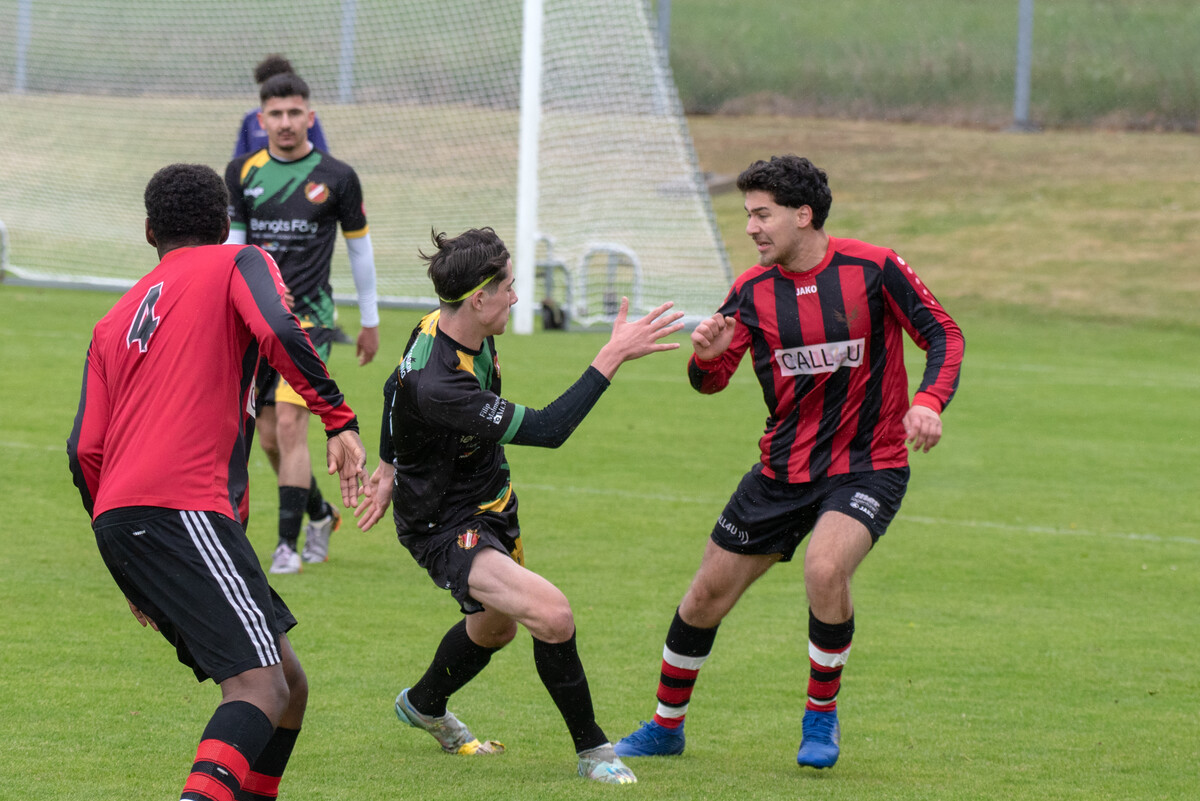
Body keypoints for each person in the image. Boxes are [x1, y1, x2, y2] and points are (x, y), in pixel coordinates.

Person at [613, 155, 965, 769]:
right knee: (703, 598)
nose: (751, 227)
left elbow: (944, 333)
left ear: (803, 215)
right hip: (780, 471)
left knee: (825, 569)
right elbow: (711, 381)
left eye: (762, 214)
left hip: (868, 464)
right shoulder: (751, 291)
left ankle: (820, 718)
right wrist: (705, 358)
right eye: (748, 215)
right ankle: (666, 727)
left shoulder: (873, 267)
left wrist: (928, 401)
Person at [66, 163, 368, 801]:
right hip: (184, 508)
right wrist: (337, 418)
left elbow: (84, 449)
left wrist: (129, 559)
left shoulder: (112, 320)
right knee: (259, 688)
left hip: (124, 518)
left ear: (149, 231)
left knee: (289, 685)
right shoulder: (239, 261)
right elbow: (280, 328)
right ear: (226, 223)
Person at [354, 227, 685, 784]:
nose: (515, 297)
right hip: (442, 524)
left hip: (490, 501)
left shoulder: (442, 325)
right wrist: (611, 355)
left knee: (494, 631)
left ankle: (423, 704)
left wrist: (387, 467)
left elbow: (391, 387)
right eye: (507, 287)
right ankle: (594, 752)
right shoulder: (441, 383)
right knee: (552, 615)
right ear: (477, 299)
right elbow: (550, 429)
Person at [225, 71, 380, 574]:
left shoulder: (337, 176)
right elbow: (233, 246)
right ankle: (319, 513)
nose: (286, 122)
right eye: (276, 114)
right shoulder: (241, 172)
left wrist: (370, 320)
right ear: (261, 119)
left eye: (295, 112)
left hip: (309, 323)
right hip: (255, 320)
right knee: (269, 439)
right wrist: (252, 290)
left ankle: (286, 548)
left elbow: (360, 250)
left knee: (291, 425)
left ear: (310, 117)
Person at [232, 54, 330, 159]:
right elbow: (240, 157)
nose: (285, 124)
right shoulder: (250, 118)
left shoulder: (305, 118)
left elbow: (322, 156)